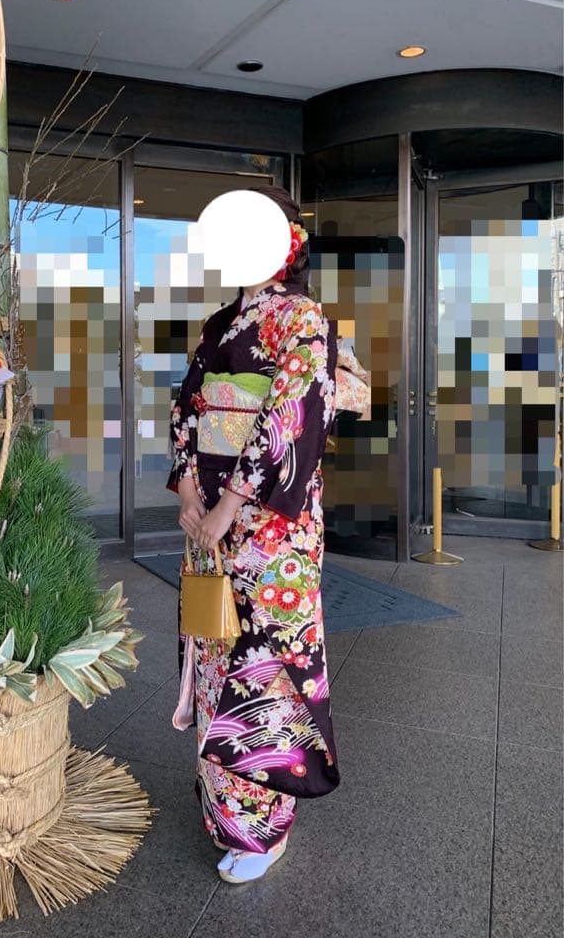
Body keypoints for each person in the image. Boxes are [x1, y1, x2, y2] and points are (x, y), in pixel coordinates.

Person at [168, 185, 340, 884]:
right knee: (215, 656)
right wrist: (188, 487)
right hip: (208, 518)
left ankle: (263, 830)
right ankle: (224, 810)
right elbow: (189, 409)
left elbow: (291, 417)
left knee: (261, 665)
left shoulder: (302, 318)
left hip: (271, 529)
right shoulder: (220, 324)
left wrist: (229, 505)